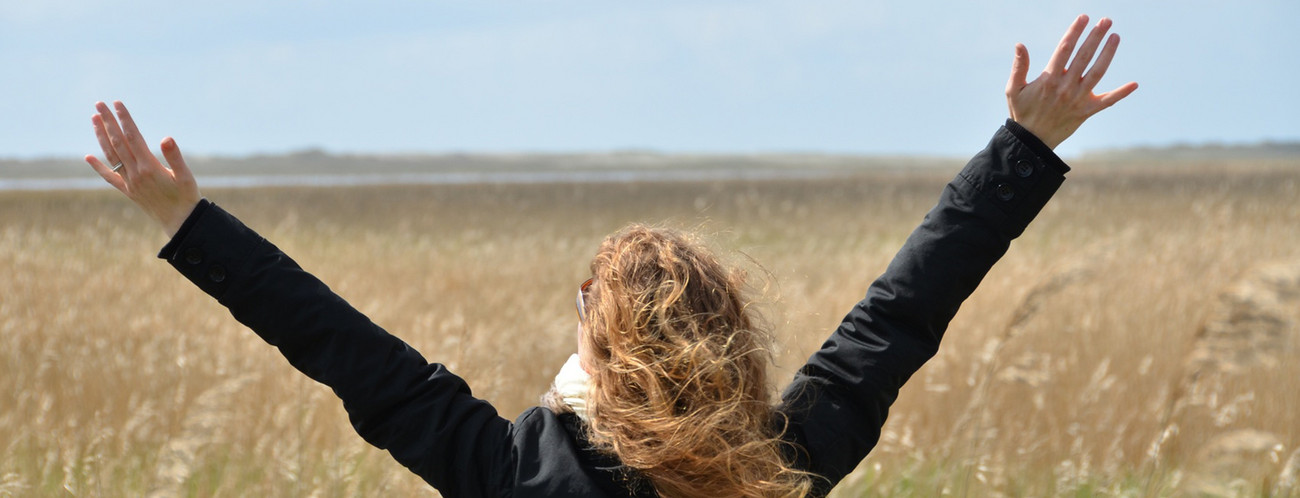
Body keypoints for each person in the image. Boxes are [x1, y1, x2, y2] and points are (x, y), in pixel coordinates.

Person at [86, 15, 1136, 498]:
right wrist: (1023, 150)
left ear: (589, 319)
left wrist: (190, 224)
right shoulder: (782, 463)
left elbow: (338, 346)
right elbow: (899, 316)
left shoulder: (513, 471)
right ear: (725, 329)